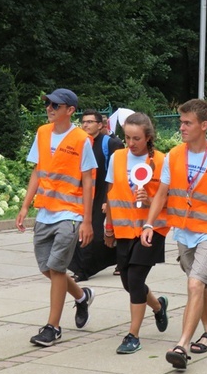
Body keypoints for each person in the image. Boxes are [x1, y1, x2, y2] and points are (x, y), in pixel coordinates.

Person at [142, 99, 207, 370]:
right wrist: (149, 224)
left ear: (204, 125)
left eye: (187, 123)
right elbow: (162, 192)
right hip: (184, 232)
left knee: (195, 285)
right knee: (197, 283)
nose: (182, 127)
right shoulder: (174, 155)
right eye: (181, 122)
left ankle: (182, 345)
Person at [16, 88, 97, 346]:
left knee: (57, 268)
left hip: (70, 215)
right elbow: (37, 172)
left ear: (70, 110)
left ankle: (53, 327)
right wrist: (25, 206)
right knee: (47, 269)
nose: (49, 108)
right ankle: (82, 296)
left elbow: (88, 181)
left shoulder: (82, 139)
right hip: (45, 212)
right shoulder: (41, 133)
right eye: (48, 103)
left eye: (55, 105)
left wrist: (86, 220)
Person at [105, 112, 170, 354]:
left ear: (148, 138)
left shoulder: (162, 161)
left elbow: (170, 200)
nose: (130, 144)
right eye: (127, 138)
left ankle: (133, 335)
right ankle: (157, 306)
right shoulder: (117, 158)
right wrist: (108, 227)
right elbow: (110, 194)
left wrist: (151, 197)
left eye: (136, 139)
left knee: (135, 280)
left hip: (152, 230)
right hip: (123, 229)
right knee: (127, 282)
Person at [68, 109, 124, 282]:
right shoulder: (81, 142)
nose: (86, 125)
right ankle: (82, 269)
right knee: (81, 233)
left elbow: (118, 172)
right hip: (85, 193)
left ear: (100, 125)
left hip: (104, 193)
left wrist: (110, 199)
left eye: (90, 122)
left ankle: (116, 261)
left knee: (99, 234)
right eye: (84, 122)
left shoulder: (110, 144)